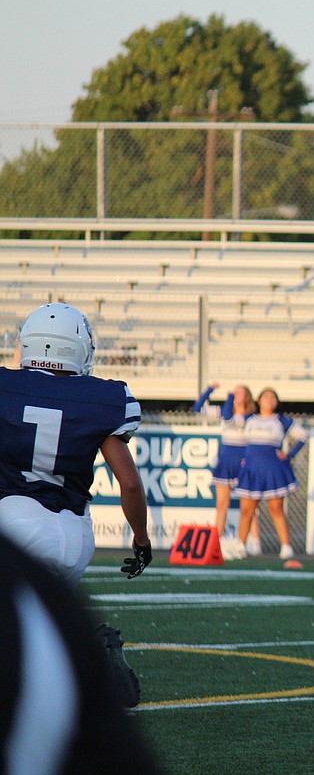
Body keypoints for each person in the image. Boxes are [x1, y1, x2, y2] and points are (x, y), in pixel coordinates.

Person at [0, 302, 153, 707]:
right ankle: (90, 656)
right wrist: (141, 539)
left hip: (15, 524)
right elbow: (131, 485)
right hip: (74, 536)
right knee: (39, 625)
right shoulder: (102, 399)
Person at [0, 531, 164, 772]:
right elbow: (130, 490)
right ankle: (91, 660)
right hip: (78, 533)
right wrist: (142, 541)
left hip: (24, 519)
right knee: (56, 623)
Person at [234, 387, 306, 560]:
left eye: (273, 397)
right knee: (247, 510)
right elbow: (232, 424)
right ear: (258, 400)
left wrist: (289, 455)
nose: (270, 400)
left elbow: (302, 436)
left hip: (272, 469)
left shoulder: (281, 421)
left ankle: (286, 547)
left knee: (276, 508)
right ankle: (240, 546)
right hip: (252, 469)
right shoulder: (249, 419)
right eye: (266, 397)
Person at [193, 382, 258, 559]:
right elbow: (198, 408)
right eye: (234, 393)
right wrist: (209, 390)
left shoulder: (252, 417)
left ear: (247, 397)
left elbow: (232, 419)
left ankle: (253, 541)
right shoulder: (225, 410)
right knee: (222, 504)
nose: (235, 395)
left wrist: (229, 399)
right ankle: (217, 539)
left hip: (244, 460)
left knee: (250, 505)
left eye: (239, 393)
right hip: (226, 460)